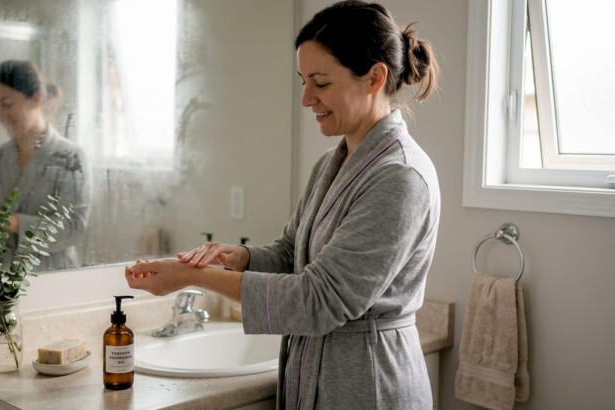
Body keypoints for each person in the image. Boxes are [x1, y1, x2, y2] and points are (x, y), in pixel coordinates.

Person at [126, 1, 440, 409]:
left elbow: (319, 299)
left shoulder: (400, 177)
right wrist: (239, 257)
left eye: (321, 83)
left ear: (374, 77)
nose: (306, 98)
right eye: (303, 81)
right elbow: (294, 253)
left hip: (368, 385)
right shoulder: (332, 163)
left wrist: (193, 276)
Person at [0, 60, 91, 272]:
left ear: (37, 99)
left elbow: (72, 229)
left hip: (54, 279)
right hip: (0, 281)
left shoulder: (71, 157)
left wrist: (2, 218)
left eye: (6, 104)